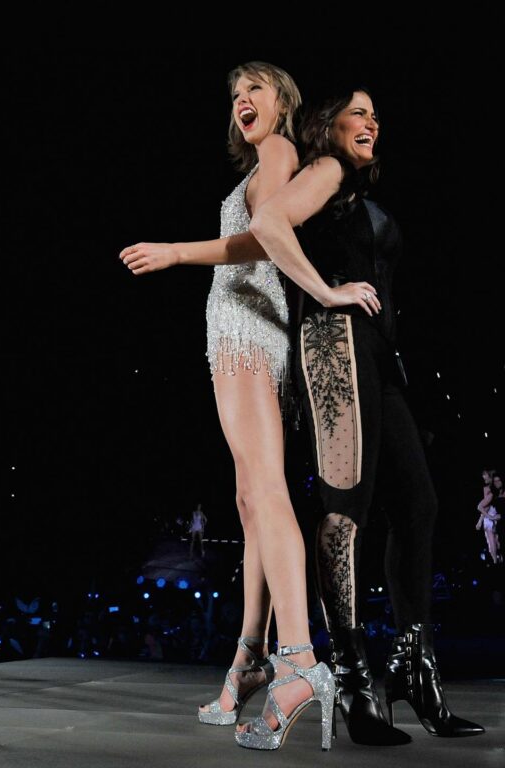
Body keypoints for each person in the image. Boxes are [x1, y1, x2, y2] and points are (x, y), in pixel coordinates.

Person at [121, 61, 349, 752]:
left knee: (265, 493)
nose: (243, 100)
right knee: (252, 498)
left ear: (283, 101)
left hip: (249, 325)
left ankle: (301, 661)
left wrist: (175, 252)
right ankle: (255, 657)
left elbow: (264, 238)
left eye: (255, 88)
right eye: (235, 94)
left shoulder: (279, 150)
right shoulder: (259, 159)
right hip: (237, 329)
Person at [247, 85, 485, 742]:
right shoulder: (324, 170)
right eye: (359, 111)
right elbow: (268, 223)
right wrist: (325, 290)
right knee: (346, 509)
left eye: (377, 113)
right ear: (328, 124)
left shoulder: (352, 193)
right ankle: (354, 681)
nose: (372, 121)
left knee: (419, 505)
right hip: (334, 345)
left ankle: (413, 666)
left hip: (377, 359)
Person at [477, 471, 503, 563]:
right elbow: (484, 506)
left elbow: (485, 507)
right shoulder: (489, 490)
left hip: (493, 515)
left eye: (485, 476)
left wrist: (481, 520)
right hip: (492, 515)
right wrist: (481, 520)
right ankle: (496, 562)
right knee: (493, 543)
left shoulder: (490, 489)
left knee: (495, 543)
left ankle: (497, 561)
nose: (484, 478)